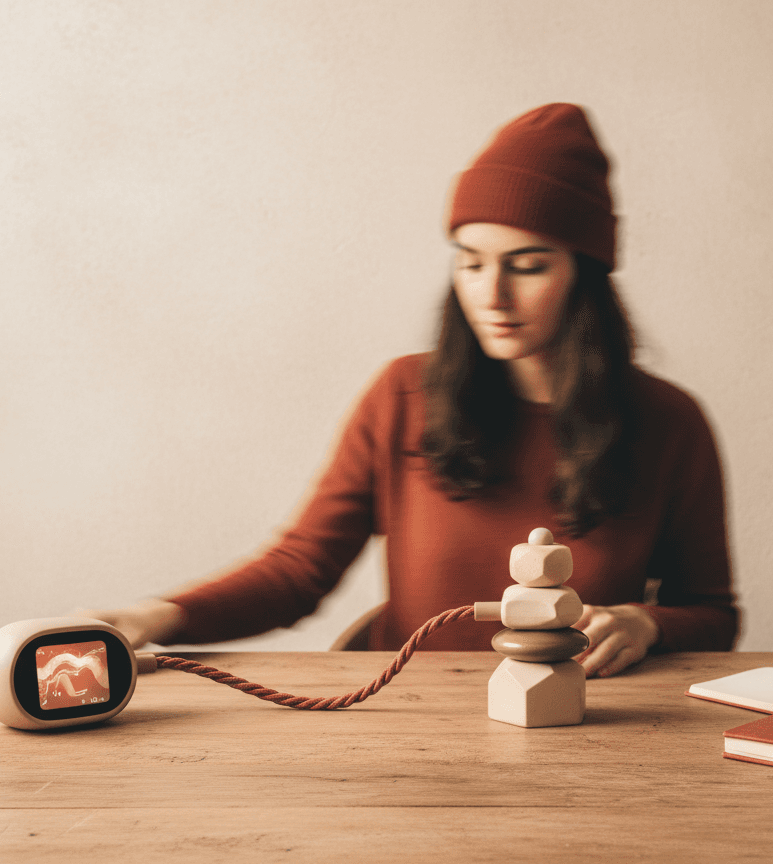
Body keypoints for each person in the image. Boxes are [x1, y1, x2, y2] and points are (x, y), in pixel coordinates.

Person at [82, 103, 738, 678]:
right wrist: (155, 615)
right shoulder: (402, 396)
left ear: (585, 274)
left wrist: (647, 625)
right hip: (404, 719)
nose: (492, 296)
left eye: (528, 266)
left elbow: (712, 612)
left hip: (581, 725)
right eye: (471, 262)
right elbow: (300, 571)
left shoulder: (669, 423)